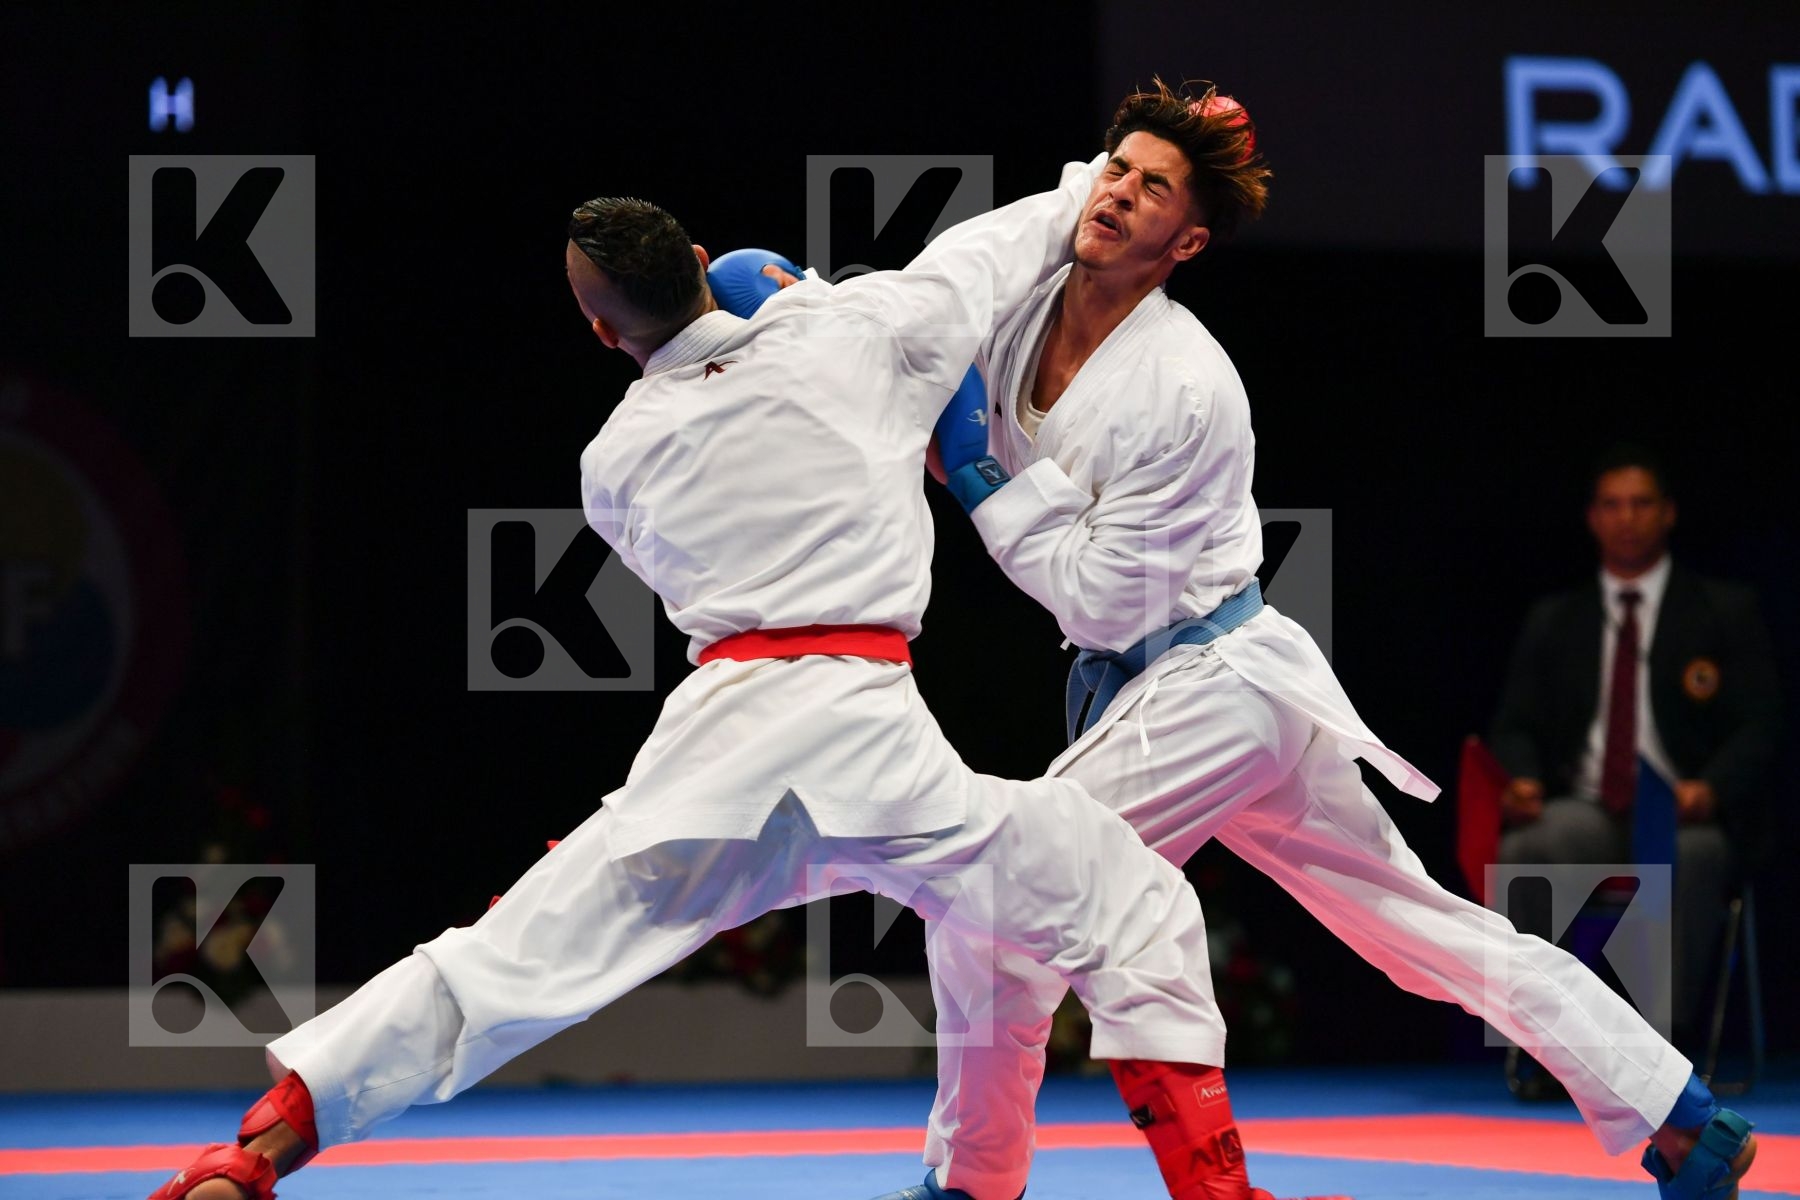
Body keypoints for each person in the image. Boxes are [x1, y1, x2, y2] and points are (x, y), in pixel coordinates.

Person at [710, 77, 1757, 1200]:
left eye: (1154, 187)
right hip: (1182, 693)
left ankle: (972, 1181)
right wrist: (815, 313)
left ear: (1188, 239)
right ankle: (1684, 1118)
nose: (1120, 194)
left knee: (993, 900)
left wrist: (972, 474)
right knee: (1420, 933)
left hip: (1213, 680)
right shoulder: (1026, 276)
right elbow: (928, 311)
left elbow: (1099, 602)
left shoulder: (1189, 387)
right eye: (1115, 169)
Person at [143, 156, 1244, 1200]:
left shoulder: (615, 463)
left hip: (722, 767)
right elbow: (1005, 249)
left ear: (599, 329)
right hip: (887, 760)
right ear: (707, 256)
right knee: (1128, 898)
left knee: (504, 964)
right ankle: (1214, 1188)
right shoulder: (853, 333)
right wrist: (1110, 173)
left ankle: (256, 1152)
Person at [1490, 445, 1781, 1047]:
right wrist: (1522, 779)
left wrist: (1713, 788)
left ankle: (1660, 1048)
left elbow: (1762, 724)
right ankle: (1543, 1043)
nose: (1627, 518)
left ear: (1668, 513)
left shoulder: (1724, 610)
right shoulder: (1556, 619)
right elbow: (1513, 724)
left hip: (1681, 812)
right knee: (1530, 844)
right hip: (1589, 806)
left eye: (1641, 504)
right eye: (1612, 505)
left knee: (1695, 855)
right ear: (1593, 518)